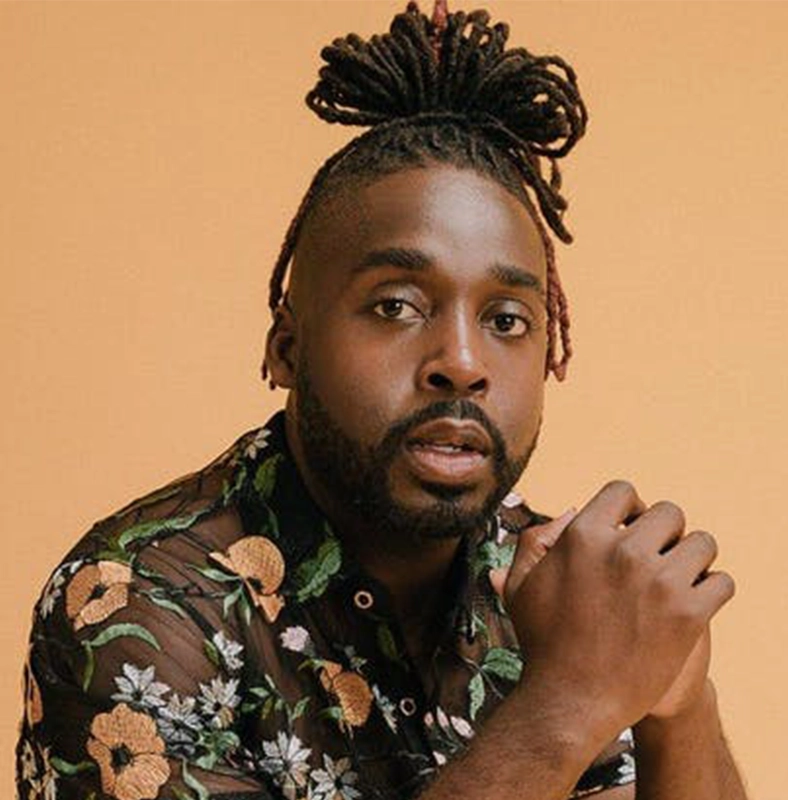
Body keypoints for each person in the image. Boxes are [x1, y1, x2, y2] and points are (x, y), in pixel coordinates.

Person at [16, 2, 749, 799]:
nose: (462, 364)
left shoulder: (560, 591)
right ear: (287, 346)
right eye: (396, 305)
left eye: (507, 320)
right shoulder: (140, 606)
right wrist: (570, 701)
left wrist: (676, 704)